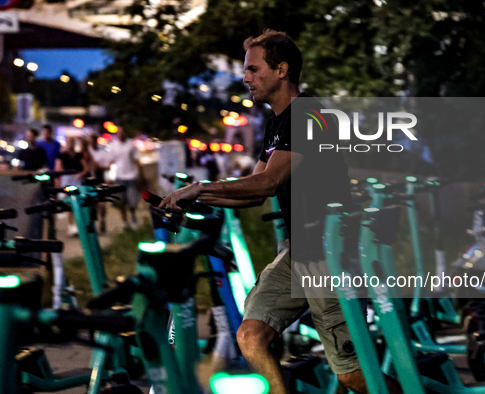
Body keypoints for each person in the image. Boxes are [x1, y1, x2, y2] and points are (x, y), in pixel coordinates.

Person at [160, 30, 402, 394]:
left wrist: (200, 187)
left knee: (351, 374)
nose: (246, 78)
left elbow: (268, 183)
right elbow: (253, 192)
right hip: (299, 251)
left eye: (254, 70)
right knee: (251, 335)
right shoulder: (277, 122)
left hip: (330, 255)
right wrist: (194, 200)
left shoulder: (309, 115)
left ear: (281, 70)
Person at [55, 137, 90, 236]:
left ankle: (77, 225)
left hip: (76, 180)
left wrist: (80, 174)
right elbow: (59, 168)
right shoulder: (62, 155)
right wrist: (59, 179)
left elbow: (86, 168)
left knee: (77, 202)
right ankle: (71, 226)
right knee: (69, 204)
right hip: (66, 180)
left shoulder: (79, 156)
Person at [110, 127, 140, 230]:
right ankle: (125, 222)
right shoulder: (113, 145)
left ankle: (133, 217)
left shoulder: (131, 144)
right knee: (120, 202)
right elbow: (112, 160)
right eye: (119, 133)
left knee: (132, 200)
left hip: (131, 176)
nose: (121, 135)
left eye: (122, 132)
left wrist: (140, 174)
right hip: (119, 176)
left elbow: (136, 160)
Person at [88, 135, 112, 233]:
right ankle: (92, 222)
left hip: (100, 179)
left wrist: (99, 166)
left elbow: (108, 167)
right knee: (92, 204)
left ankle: (102, 220)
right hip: (89, 181)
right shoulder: (87, 152)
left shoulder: (102, 153)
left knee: (102, 203)